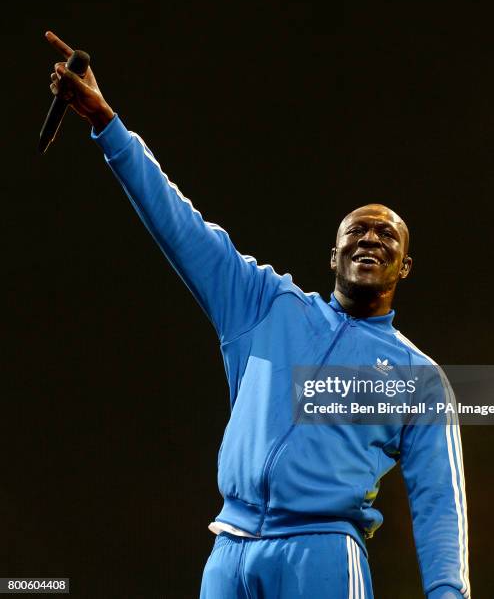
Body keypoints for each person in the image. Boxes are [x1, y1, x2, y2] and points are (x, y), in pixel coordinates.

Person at [44, 30, 471, 599]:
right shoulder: (263, 303)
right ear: (333, 254)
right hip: (228, 554)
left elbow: (439, 501)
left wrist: (448, 593)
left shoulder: (418, 379)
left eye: (386, 234)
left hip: (320, 554)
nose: (370, 239)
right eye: (356, 230)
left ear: (405, 264)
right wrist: (106, 122)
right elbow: (178, 222)